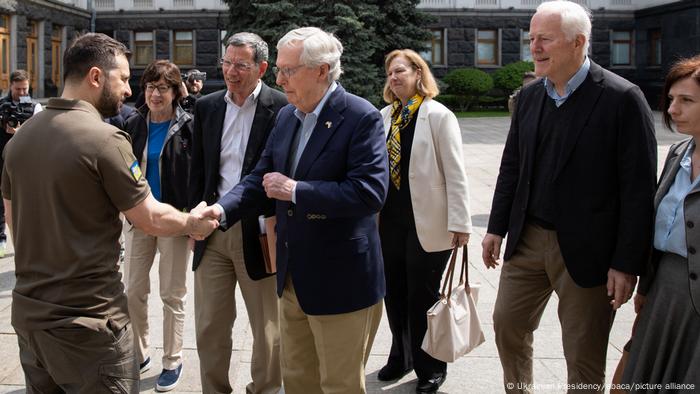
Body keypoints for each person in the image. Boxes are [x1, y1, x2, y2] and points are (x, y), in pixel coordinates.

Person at [1, 32, 217, 393]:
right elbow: (147, 216)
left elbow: (13, 223)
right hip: (89, 326)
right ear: (96, 77)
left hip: (30, 318)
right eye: (124, 78)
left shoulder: (20, 139)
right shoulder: (106, 140)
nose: (130, 91)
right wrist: (192, 222)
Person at [199, 26, 389, 393]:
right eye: (279, 70)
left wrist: (297, 191)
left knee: (339, 385)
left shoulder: (360, 116)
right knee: (298, 381)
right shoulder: (288, 116)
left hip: (340, 281)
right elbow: (259, 179)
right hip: (291, 278)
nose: (279, 78)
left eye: (288, 70)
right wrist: (220, 212)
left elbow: (369, 193)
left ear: (321, 70)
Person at [480, 1, 657, 392]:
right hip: (527, 239)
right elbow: (512, 167)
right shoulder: (528, 98)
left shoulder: (622, 98)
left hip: (588, 250)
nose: (535, 48)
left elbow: (639, 190)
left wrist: (627, 263)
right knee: (507, 324)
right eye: (532, 39)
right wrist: (496, 227)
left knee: (583, 353)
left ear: (579, 42)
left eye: (545, 39)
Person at [188, 32, 287, 394]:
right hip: (212, 230)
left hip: (259, 231)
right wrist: (191, 220)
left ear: (261, 67)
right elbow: (197, 170)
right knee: (210, 323)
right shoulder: (208, 106)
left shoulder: (281, 108)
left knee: (268, 327)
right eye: (227, 63)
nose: (231, 71)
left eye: (240, 65)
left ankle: (264, 389)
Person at [377, 49, 472, 394]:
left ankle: (430, 366)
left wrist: (461, 223)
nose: (393, 77)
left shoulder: (437, 115)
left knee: (423, 296)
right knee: (394, 293)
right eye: (389, 73)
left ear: (419, 73)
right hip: (389, 221)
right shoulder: (385, 115)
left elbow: (456, 172)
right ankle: (400, 356)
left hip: (429, 221)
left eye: (400, 71)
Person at [621, 55, 700, 391]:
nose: (672, 110)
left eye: (686, 100)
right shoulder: (678, 153)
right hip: (664, 289)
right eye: (671, 100)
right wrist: (646, 286)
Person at [123, 59, 193, 392]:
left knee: (172, 294)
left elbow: (198, 174)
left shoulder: (188, 126)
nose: (155, 94)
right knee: (134, 290)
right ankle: (139, 353)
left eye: (162, 87)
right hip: (138, 219)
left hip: (175, 218)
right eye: (150, 87)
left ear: (176, 91)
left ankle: (172, 359)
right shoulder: (133, 123)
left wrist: (193, 219)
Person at [0, 70, 42, 257]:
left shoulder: (35, 107)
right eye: (18, 89)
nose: (22, 92)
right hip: (2, 158)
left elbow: (41, 132)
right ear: (10, 86)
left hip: (27, 161)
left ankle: (30, 240)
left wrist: (21, 131)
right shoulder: (2, 106)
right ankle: (2, 238)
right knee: (3, 202)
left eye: (25, 88)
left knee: (27, 200)